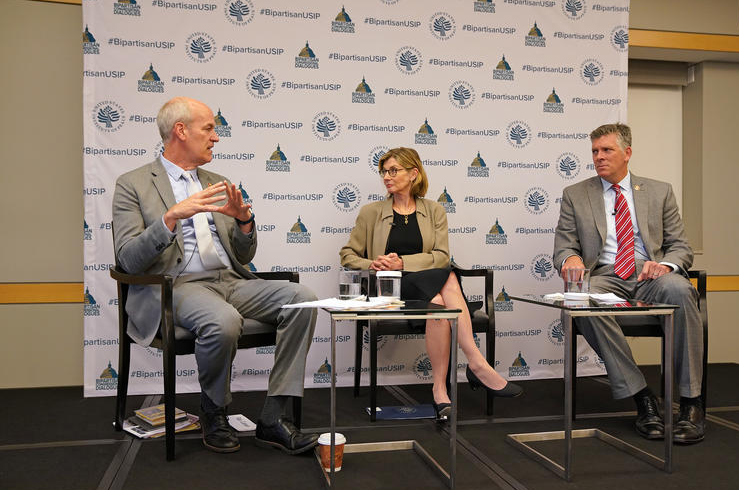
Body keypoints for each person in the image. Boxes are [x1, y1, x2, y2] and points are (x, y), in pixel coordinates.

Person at [112, 96, 318, 454]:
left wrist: (244, 221)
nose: (216, 137)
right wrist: (170, 218)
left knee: (303, 300)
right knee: (223, 321)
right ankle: (214, 409)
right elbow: (128, 260)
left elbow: (243, 254)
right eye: (208, 128)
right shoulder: (133, 184)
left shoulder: (218, 181)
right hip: (175, 286)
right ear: (180, 131)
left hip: (230, 280)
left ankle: (273, 417)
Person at [340, 147, 522, 419]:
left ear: (413, 173)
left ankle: (439, 389)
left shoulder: (434, 210)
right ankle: (477, 364)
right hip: (391, 291)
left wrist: (403, 262)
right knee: (447, 276)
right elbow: (347, 255)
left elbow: (440, 256)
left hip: (426, 283)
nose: (387, 177)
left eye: (393, 170)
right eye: (384, 172)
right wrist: (373, 264)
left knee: (438, 300)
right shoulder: (371, 212)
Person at [553, 123, 705, 444]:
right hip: (605, 274)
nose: (599, 157)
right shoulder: (576, 195)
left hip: (649, 273)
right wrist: (572, 260)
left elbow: (681, 247)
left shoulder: (659, 191)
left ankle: (691, 404)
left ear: (627, 153)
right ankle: (642, 396)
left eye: (607, 150)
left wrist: (663, 265)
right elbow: (564, 245)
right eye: (595, 151)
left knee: (681, 289)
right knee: (581, 300)